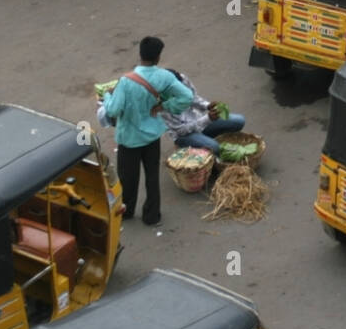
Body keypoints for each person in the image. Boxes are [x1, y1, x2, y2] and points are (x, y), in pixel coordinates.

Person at [100, 37, 193, 227]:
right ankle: (152, 216)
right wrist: (165, 106)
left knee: (128, 178)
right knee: (152, 177)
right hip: (152, 137)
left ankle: (126, 212)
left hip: (129, 140)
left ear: (140, 54)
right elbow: (187, 97)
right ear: (158, 57)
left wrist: (107, 94)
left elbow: (113, 111)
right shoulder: (164, 77)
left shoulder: (125, 82)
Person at [162, 69, 246, 156]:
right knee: (215, 148)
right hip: (184, 134)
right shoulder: (161, 106)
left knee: (239, 121)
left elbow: (194, 98)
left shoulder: (181, 79)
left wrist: (207, 105)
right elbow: (181, 131)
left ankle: (203, 140)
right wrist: (207, 119)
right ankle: (186, 145)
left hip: (198, 120)